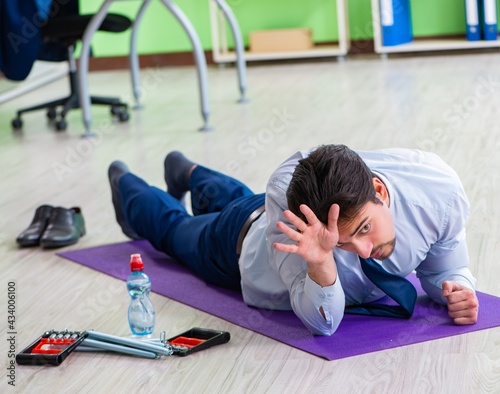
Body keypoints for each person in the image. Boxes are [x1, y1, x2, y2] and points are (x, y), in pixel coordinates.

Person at [108, 145, 479, 336]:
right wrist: (320, 260)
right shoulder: (287, 200)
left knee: (241, 197)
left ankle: (188, 171)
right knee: (175, 229)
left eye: (364, 229)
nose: (365, 252)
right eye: (343, 243)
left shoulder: (436, 190)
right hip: (234, 245)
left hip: (264, 209)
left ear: (379, 190)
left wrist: (457, 287)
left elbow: (447, 266)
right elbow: (323, 324)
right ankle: (125, 183)